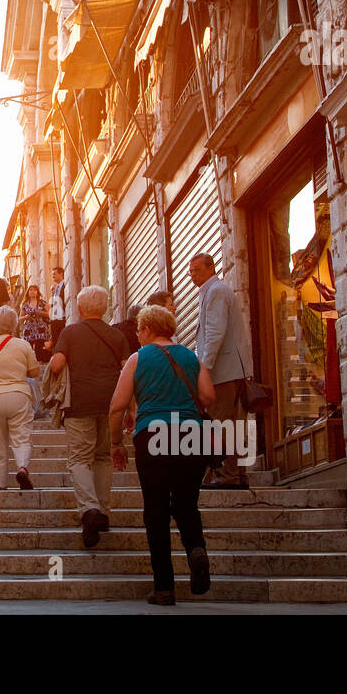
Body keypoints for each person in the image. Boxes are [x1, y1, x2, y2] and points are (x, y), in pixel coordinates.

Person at [109, 304, 215, 605]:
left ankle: (164, 587)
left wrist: (116, 443)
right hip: (190, 435)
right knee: (186, 504)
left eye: (139, 331)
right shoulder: (192, 356)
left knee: (155, 509)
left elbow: (117, 406)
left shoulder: (138, 358)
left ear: (146, 330)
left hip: (153, 433)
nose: (138, 336)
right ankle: (196, 551)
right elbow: (208, 396)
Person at [49, 285, 128, 548]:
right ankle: (103, 511)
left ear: (80, 309)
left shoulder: (70, 333)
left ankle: (90, 509)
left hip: (79, 403)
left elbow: (58, 364)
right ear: (105, 308)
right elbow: (127, 369)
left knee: (80, 458)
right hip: (111, 403)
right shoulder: (116, 335)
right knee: (103, 456)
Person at [189, 252, 253, 489]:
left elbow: (214, 333)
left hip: (223, 373)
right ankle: (237, 476)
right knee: (233, 424)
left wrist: (204, 369)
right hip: (232, 371)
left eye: (196, 269)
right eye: (190, 269)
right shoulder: (214, 291)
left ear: (210, 268)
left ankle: (227, 476)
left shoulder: (215, 291)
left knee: (221, 423)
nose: (191, 274)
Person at [0, 306, 40, 490]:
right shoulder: (23, 345)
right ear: (14, 324)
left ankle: (0, 483)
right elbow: (34, 371)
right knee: (21, 437)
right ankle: (21, 467)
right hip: (19, 395)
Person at [20, 285, 52, 362]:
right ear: (28, 292)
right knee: (28, 348)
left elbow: (49, 314)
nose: (32, 292)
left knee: (39, 349)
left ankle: (40, 363)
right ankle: (30, 363)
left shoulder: (42, 303)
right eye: (31, 290)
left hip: (40, 329)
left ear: (37, 292)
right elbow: (20, 318)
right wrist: (26, 317)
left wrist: (39, 312)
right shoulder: (25, 304)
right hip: (29, 330)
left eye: (34, 290)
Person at [48, 266, 67, 344]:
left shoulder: (65, 285)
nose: (53, 276)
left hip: (62, 318)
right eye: (52, 274)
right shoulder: (56, 288)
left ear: (61, 274)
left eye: (55, 274)